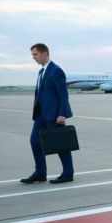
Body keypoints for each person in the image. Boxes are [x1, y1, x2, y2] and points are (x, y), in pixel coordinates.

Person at [20, 43, 75, 184]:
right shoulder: (41, 71)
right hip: (41, 115)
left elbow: (63, 95)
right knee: (34, 142)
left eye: (35, 54)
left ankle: (68, 173)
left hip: (54, 115)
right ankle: (40, 173)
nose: (34, 58)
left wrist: (62, 114)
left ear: (44, 53)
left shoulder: (56, 71)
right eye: (33, 55)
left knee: (60, 144)